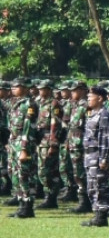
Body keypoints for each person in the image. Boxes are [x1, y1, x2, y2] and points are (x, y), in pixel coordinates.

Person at [81, 86, 109, 227]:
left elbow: (106, 138)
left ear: (100, 98)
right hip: (90, 155)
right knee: (92, 186)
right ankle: (97, 214)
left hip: (97, 156)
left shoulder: (104, 115)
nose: (88, 98)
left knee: (100, 186)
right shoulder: (93, 113)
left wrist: (104, 158)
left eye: (91, 96)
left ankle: (102, 216)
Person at [6, 77, 39, 218]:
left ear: (25, 88)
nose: (13, 88)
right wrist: (9, 142)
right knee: (14, 174)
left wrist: (24, 149)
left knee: (25, 174)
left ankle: (28, 206)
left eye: (17, 86)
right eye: (12, 86)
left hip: (25, 144)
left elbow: (28, 127)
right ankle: (21, 203)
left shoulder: (29, 104)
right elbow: (12, 125)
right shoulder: (15, 103)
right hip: (14, 143)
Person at [33, 79, 65, 210]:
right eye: (39, 88)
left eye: (43, 88)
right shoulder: (37, 102)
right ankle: (49, 196)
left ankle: (51, 197)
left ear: (49, 89)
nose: (41, 90)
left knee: (47, 170)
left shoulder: (54, 104)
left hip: (49, 140)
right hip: (39, 139)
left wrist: (53, 143)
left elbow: (55, 125)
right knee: (41, 170)